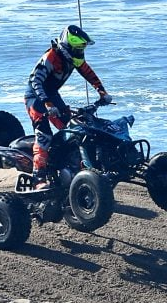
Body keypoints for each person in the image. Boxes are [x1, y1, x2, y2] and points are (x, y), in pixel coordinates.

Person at [24, 25, 112, 189]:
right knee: (44, 136)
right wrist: (47, 103)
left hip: (52, 96)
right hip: (35, 98)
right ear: (67, 45)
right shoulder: (50, 58)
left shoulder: (73, 59)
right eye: (78, 48)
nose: (80, 52)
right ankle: (38, 178)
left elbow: (88, 73)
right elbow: (36, 81)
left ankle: (72, 168)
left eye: (82, 48)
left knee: (73, 130)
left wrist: (102, 92)